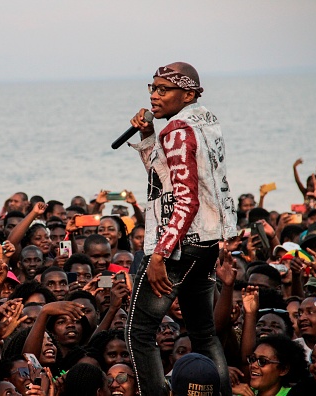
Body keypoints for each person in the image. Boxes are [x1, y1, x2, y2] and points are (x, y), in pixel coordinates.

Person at [126, 62, 237, 396]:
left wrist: (160, 253)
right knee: (203, 332)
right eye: (152, 88)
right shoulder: (204, 121)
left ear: (187, 93)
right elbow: (167, 177)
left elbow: (184, 200)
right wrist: (148, 135)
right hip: (208, 241)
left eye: (163, 90)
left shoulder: (176, 130)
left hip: (181, 244)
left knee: (139, 332)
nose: (154, 96)